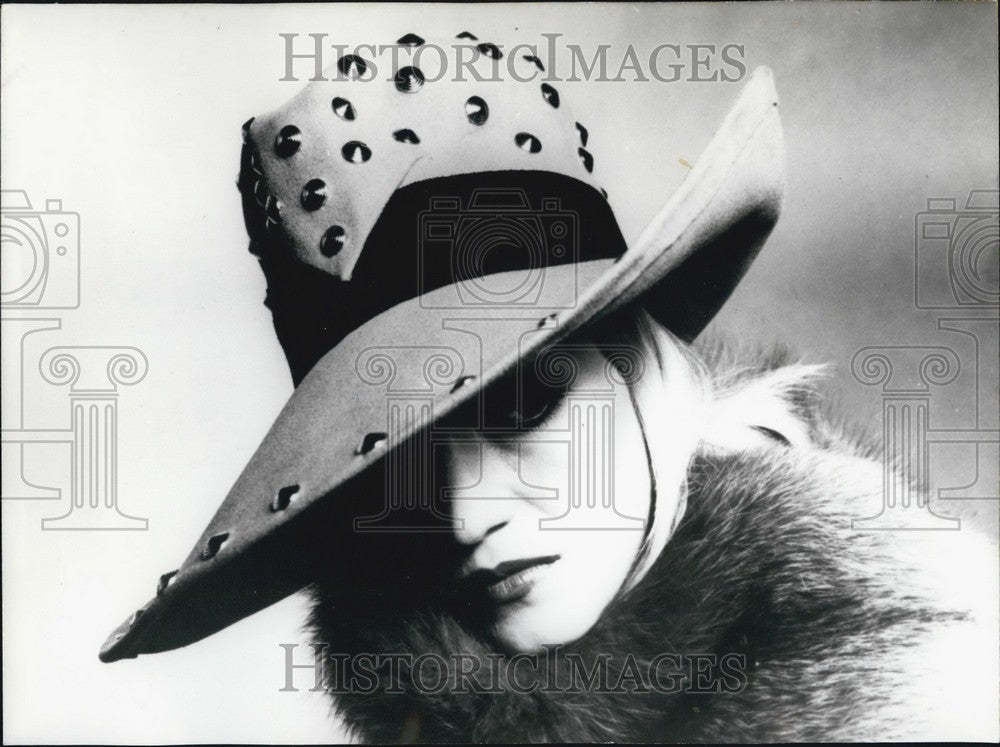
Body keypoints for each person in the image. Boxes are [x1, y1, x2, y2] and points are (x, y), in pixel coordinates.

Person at [100, 33, 996, 742]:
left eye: (523, 403)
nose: (460, 513)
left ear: (640, 366)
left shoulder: (925, 685)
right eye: (391, 465)